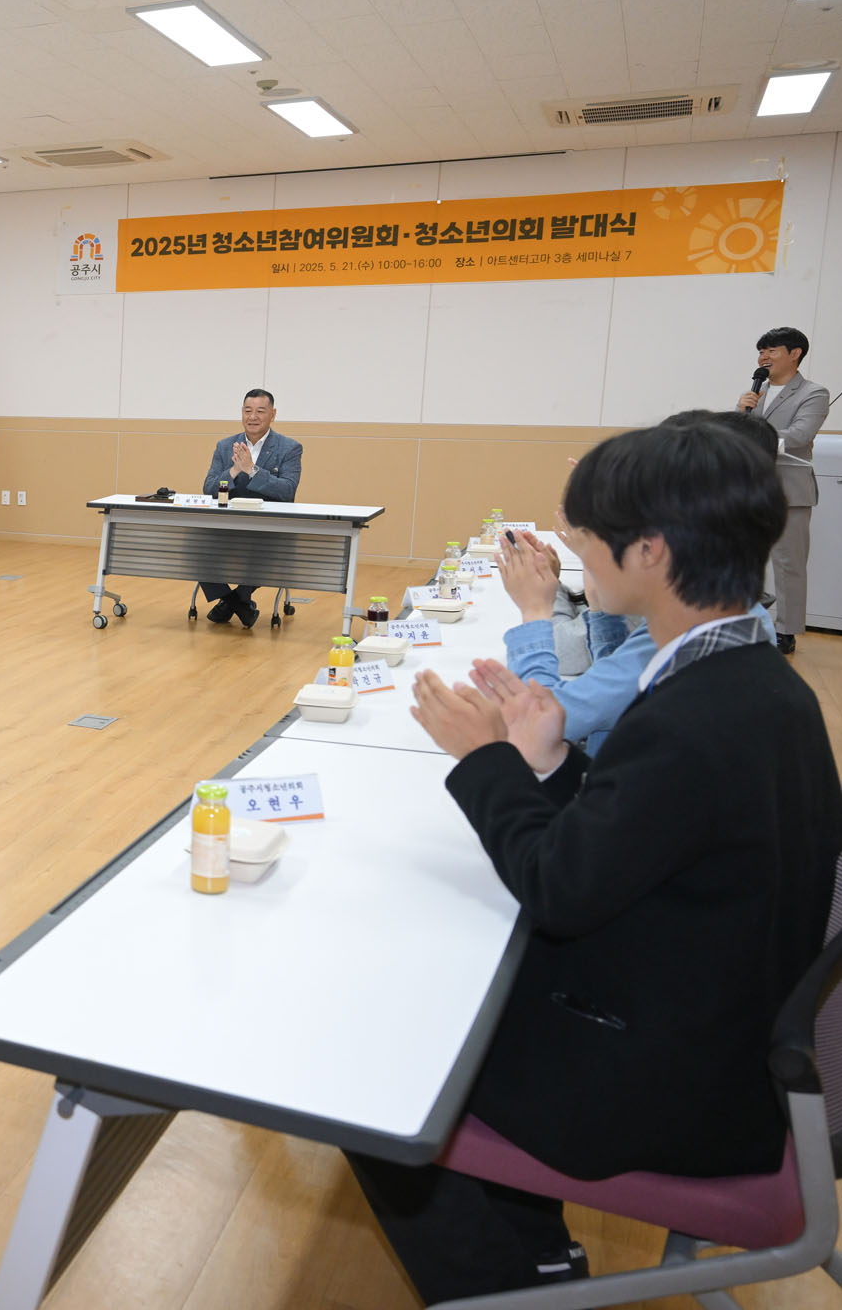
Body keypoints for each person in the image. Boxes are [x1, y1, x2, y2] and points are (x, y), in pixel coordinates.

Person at [346, 419, 842, 1304]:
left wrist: (486, 761)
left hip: (674, 1086)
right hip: (719, 1033)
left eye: (589, 535)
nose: (576, 552)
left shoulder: (695, 719)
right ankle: (537, 1256)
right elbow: (643, 835)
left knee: (376, 1062)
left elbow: (560, 889)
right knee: (444, 988)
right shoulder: (755, 682)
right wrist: (551, 764)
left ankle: (498, 1285)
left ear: (651, 551)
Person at [497, 411, 779, 756]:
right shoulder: (705, 614)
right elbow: (619, 689)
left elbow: (541, 723)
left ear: (650, 546)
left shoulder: (690, 640)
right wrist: (599, 608)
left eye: (600, 532)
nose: (585, 549)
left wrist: (534, 611)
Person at [734, 325, 829, 655]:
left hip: (789, 490)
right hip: (749, 487)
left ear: (795, 354)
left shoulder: (813, 393)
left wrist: (751, 432)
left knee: (789, 564)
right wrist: (741, 413)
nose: (764, 356)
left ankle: (786, 631)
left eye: (772, 350)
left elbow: (800, 435)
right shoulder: (754, 393)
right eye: (761, 351)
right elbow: (735, 436)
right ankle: (744, 620)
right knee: (743, 557)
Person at [199, 389, 303, 627]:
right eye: (248, 411)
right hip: (228, 527)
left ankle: (234, 600)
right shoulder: (225, 446)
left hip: (268, 529)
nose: (253, 417)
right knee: (195, 546)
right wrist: (234, 470)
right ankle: (238, 603)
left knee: (264, 550)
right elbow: (209, 488)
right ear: (242, 413)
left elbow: (287, 490)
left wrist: (252, 470)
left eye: (260, 411)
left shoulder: (289, 448)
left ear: (272, 415)